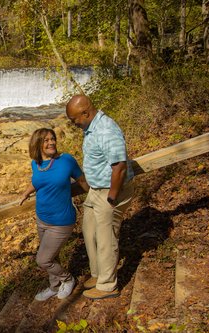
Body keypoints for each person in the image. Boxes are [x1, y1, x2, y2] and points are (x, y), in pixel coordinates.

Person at [65, 95, 134, 300]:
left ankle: (107, 285)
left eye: (74, 119)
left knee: (106, 239)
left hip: (109, 191)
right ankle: (98, 274)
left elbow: (119, 167)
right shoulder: (91, 128)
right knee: (90, 231)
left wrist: (112, 197)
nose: (73, 123)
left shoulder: (106, 130)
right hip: (96, 189)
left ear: (85, 113)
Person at [20, 128, 89, 301]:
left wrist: (96, 198)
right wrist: (26, 192)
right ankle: (54, 286)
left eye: (53, 139)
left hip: (62, 221)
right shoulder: (36, 164)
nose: (51, 143)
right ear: (37, 144)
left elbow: (82, 181)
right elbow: (38, 181)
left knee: (43, 260)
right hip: (42, 218)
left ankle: (68, 279)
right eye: (46, 140)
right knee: (52, 256)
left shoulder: (65, 160)